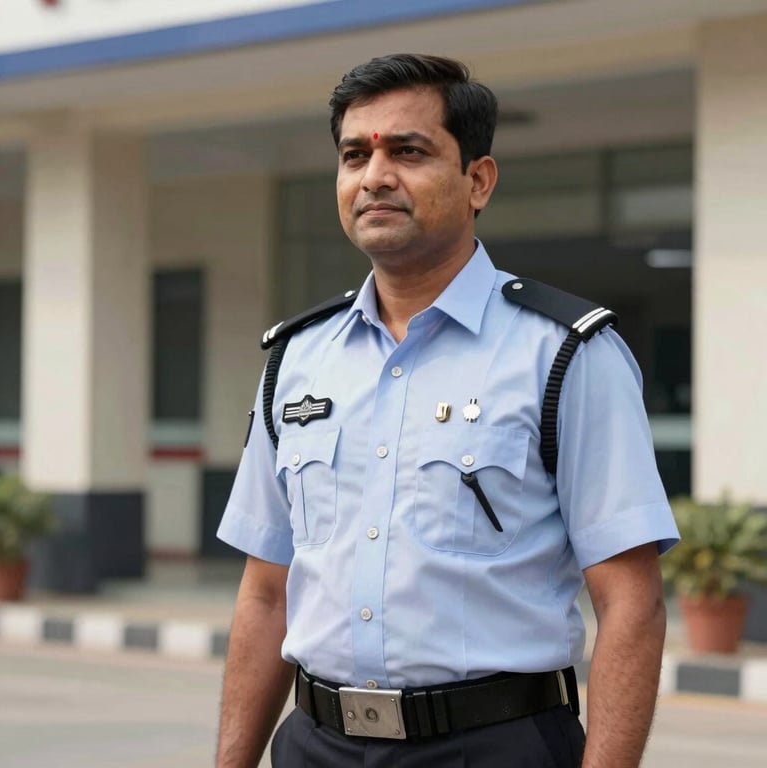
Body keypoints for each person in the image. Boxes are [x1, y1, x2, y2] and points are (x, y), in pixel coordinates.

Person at [215, 53, 679, 768]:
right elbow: (266, 594)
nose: (374, 177)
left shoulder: (562, 355)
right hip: (315, 747)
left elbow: (631, 605)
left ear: (478, 181)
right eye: (353, 155)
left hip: (493, 747)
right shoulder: (296, 361)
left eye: (408, 151)